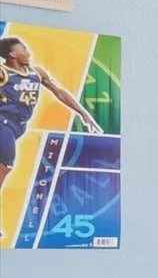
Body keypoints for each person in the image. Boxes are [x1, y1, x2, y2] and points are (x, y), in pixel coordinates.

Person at [0, 36, 102, 189]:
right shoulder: (3, 72)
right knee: (5, 165)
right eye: (24, 50)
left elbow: (59, 92)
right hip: (4, 122)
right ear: (12, 55)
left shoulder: (37, 73)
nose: (29, 53)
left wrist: (83, 113)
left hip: (20, 126)